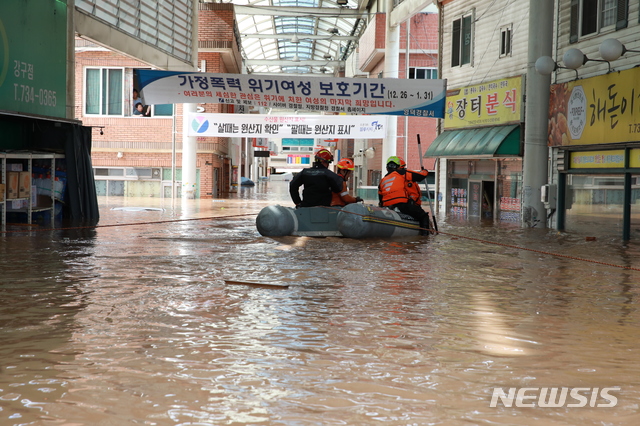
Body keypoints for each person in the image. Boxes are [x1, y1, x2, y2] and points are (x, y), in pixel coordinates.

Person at [378, 156, 430, 235]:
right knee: (423, 216)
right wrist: (425, 171)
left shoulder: (383, 180)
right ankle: (424, 237)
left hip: (387, 205)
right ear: (400, 167)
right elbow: (420, 176)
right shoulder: (403, 173)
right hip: (402, 203)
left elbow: (380, 198)